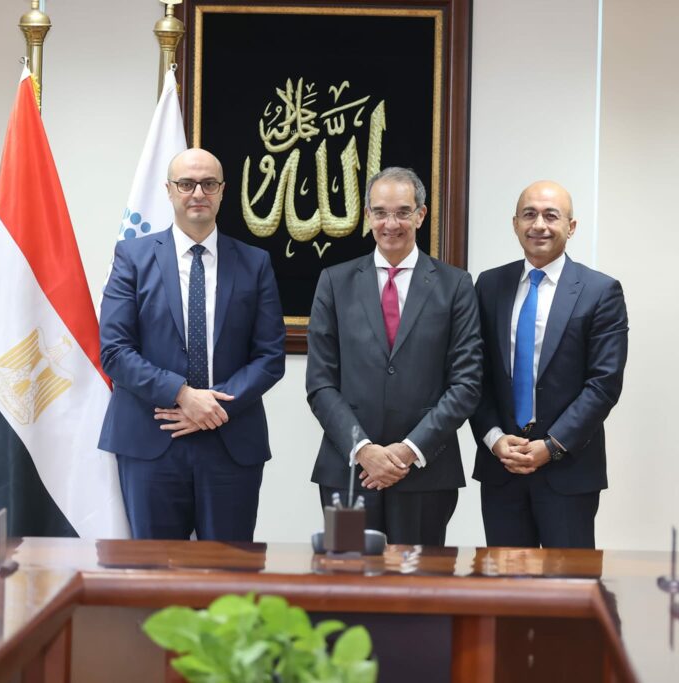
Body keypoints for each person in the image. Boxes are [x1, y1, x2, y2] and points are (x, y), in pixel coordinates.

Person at [99, 148, 285, 541]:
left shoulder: (255, 262)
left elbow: (270, 357)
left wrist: (213, 407)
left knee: (229, 569)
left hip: (230, 441)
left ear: (222, 191)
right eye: (186, 184)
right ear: (169, 190)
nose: (198, 193)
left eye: (208, 184)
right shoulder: (132, 257)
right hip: (151, 439)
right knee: (155, 570)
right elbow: (115, 351)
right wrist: (183, 395)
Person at [306, 167, 482, 546]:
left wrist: (408, 450)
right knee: (349, 574)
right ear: (367, 215)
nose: (391, 224)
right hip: (350, 473)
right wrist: (363, 450)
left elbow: (466, 384)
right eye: (381, 212)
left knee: (419, 580)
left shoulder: (455, 285)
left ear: (420, 215)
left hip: (424, 473)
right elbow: (320, 384)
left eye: (403, 212)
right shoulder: (334, 282)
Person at [470, 180, 628, 548]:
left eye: (551, 216)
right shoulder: (489, 285)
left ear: (571, 227)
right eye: (529, 214)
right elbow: (475, 375)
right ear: (515, 224)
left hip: (568, 471)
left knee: (567, 582)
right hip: (502, 468)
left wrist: (552, 446)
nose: (538, 224)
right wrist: (494, 439)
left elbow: (603, 384)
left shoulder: (600, 291)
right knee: (505, 581)